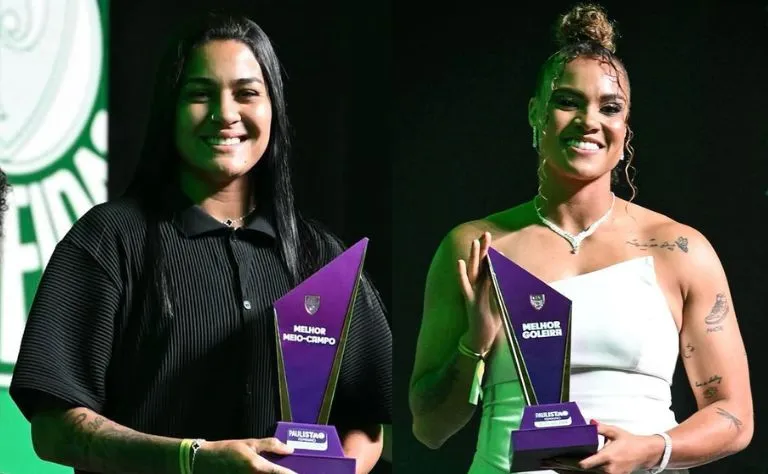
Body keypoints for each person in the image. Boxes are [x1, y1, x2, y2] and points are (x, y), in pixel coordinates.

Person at [9, 13, 391, 474]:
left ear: (274, 109)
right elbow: (54, 429)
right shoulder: (107, 241)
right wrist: (192, 459)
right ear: (168, 109)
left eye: (247, 93)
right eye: (199, 93)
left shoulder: (323, 259)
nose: (225, 113)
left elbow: (366, 427)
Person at [409, 4, 752, 474]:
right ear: (535, 113)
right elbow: (429, 429)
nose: (589, 120)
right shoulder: (475, 246)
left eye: (609, 108)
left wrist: (651, 449)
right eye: (567, 101)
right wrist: (475, 342)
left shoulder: (680, 250)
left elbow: (735, 416)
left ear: (625, 126)